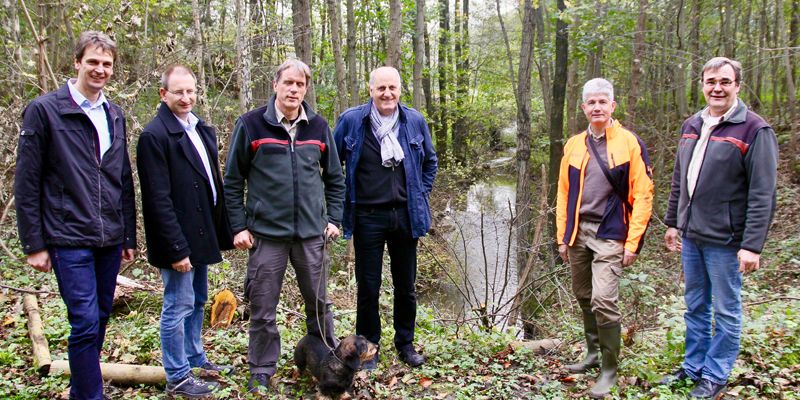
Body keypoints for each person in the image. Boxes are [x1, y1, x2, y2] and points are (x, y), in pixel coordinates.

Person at [14, 31, 136, 400]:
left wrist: (128, 234)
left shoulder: (114, 114)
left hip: (109, 237)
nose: (100, 70)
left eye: (106, 64)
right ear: (77, 62)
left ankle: (82, 386)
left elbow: (122, 179)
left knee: (99, 317)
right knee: (83, 320)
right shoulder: (45, 110)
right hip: (67, 236)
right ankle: (89, 394)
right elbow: (27, 179)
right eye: (93, 62)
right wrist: (34, 243)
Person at [224, 59, 345, 394]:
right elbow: (233, 181)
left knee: (320, 306)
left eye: (300, 84)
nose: (294, 90)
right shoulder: (250, 125)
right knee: (263, 308)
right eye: (288, 83)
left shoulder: (319, 127)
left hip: (311, 235)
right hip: (266, 236)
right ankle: (262, 369)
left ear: (306, 89)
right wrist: (238, 227)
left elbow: (335, 178)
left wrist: (333, 219)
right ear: (275, 85)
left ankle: (327, 364)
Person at [661, 57, 778, 399]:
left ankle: (715, 375)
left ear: (737, 86)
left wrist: (752, 245)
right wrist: (673, 222)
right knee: (695, 305)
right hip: (692, 237)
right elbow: (680, 181)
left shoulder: (755, 130)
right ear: (702, 84)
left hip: (727, 242)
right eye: (711, 81)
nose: (717, 88)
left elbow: (762, 193)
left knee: (727, 311)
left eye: (725, 81)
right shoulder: (692, 124)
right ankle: (693, 368)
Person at [136, 65, 235, 398]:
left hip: (201, 232)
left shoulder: (201, 129)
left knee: (197, 301)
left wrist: (223, 230)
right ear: (163, 94)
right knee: (177, 304)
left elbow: (211, 185)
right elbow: (157, 200)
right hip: (177, 237)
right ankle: (177, 375)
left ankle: (196, 358)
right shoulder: (155, 136)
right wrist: (176, 248)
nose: (186, 97)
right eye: (178, 92)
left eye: (191, 91)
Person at [333, 66, 438, 369]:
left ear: (400, 90)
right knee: (368, 286)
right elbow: (330, 165)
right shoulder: (352, 121)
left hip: (406, 216)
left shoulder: (414, 121)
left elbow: (430, 162)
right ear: (371, 90)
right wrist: (339, 203)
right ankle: (369, 348)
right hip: (367, 216)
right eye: (381, 88)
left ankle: (405, 344)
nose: (387, 94)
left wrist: (419, 193)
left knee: (406, 285)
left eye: (392, 88)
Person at [556, 78, 653, 398]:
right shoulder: (573, 145)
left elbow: (643, 194)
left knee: (603, 299)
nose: (597, 107)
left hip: (611, 233)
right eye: (591, 103)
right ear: (583, 108)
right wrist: (562, 236)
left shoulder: (629, 143)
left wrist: (633, 242)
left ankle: (609, 370)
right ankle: (593, 354)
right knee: (583, 295)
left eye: (603, 102)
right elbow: (563, 193)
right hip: (578, 232)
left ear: (613, 106)